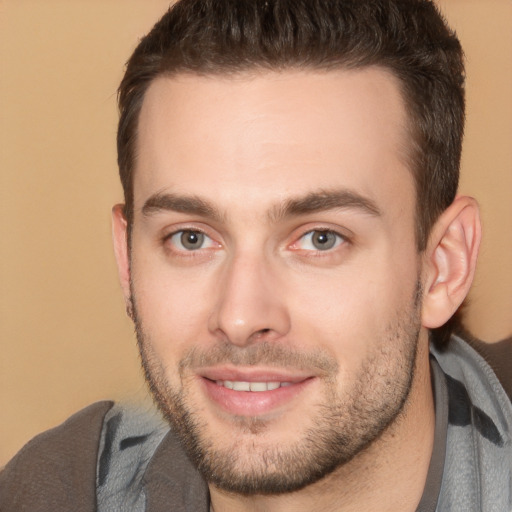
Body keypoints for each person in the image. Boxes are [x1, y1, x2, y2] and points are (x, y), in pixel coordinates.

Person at [1, 0, 511, 510]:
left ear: (443, 265)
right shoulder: (56, 491)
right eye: (191, 238)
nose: (240, 317)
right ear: (127, 259)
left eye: (320, 239)